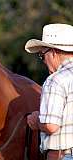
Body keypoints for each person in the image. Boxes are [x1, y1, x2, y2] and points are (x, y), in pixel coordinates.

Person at [25, 23, 73, 160]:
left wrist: (36, 120)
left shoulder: (55, 80)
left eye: (42, 55)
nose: (44, 61)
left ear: (53, 53)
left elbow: (51, 126)